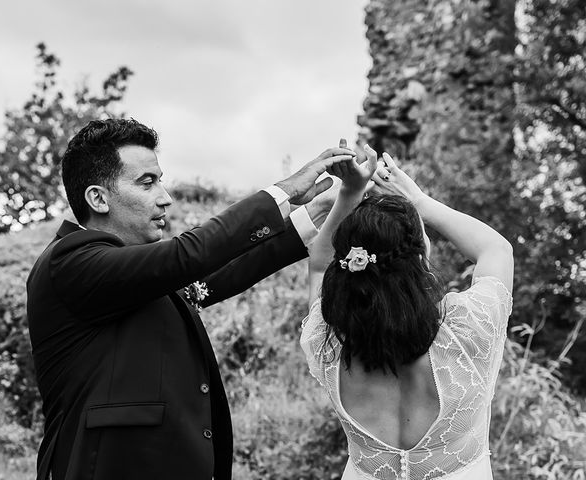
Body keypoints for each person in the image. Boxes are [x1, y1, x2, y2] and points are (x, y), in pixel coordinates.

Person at [26, 118, 359, 480]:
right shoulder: (70, 261)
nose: (165, 197)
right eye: (147, 182)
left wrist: (324, 207)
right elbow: (191, 255)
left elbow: (217, 274)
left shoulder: (138, 273)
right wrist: (286, 191)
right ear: (98, 198)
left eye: (160, 179)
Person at [301, 146, 513, 479]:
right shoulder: (467, 335)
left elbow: (319, 262)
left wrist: (350, 192)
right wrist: (420, 202)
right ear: (419, 262)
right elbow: (495, 248)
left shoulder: (327, 344)